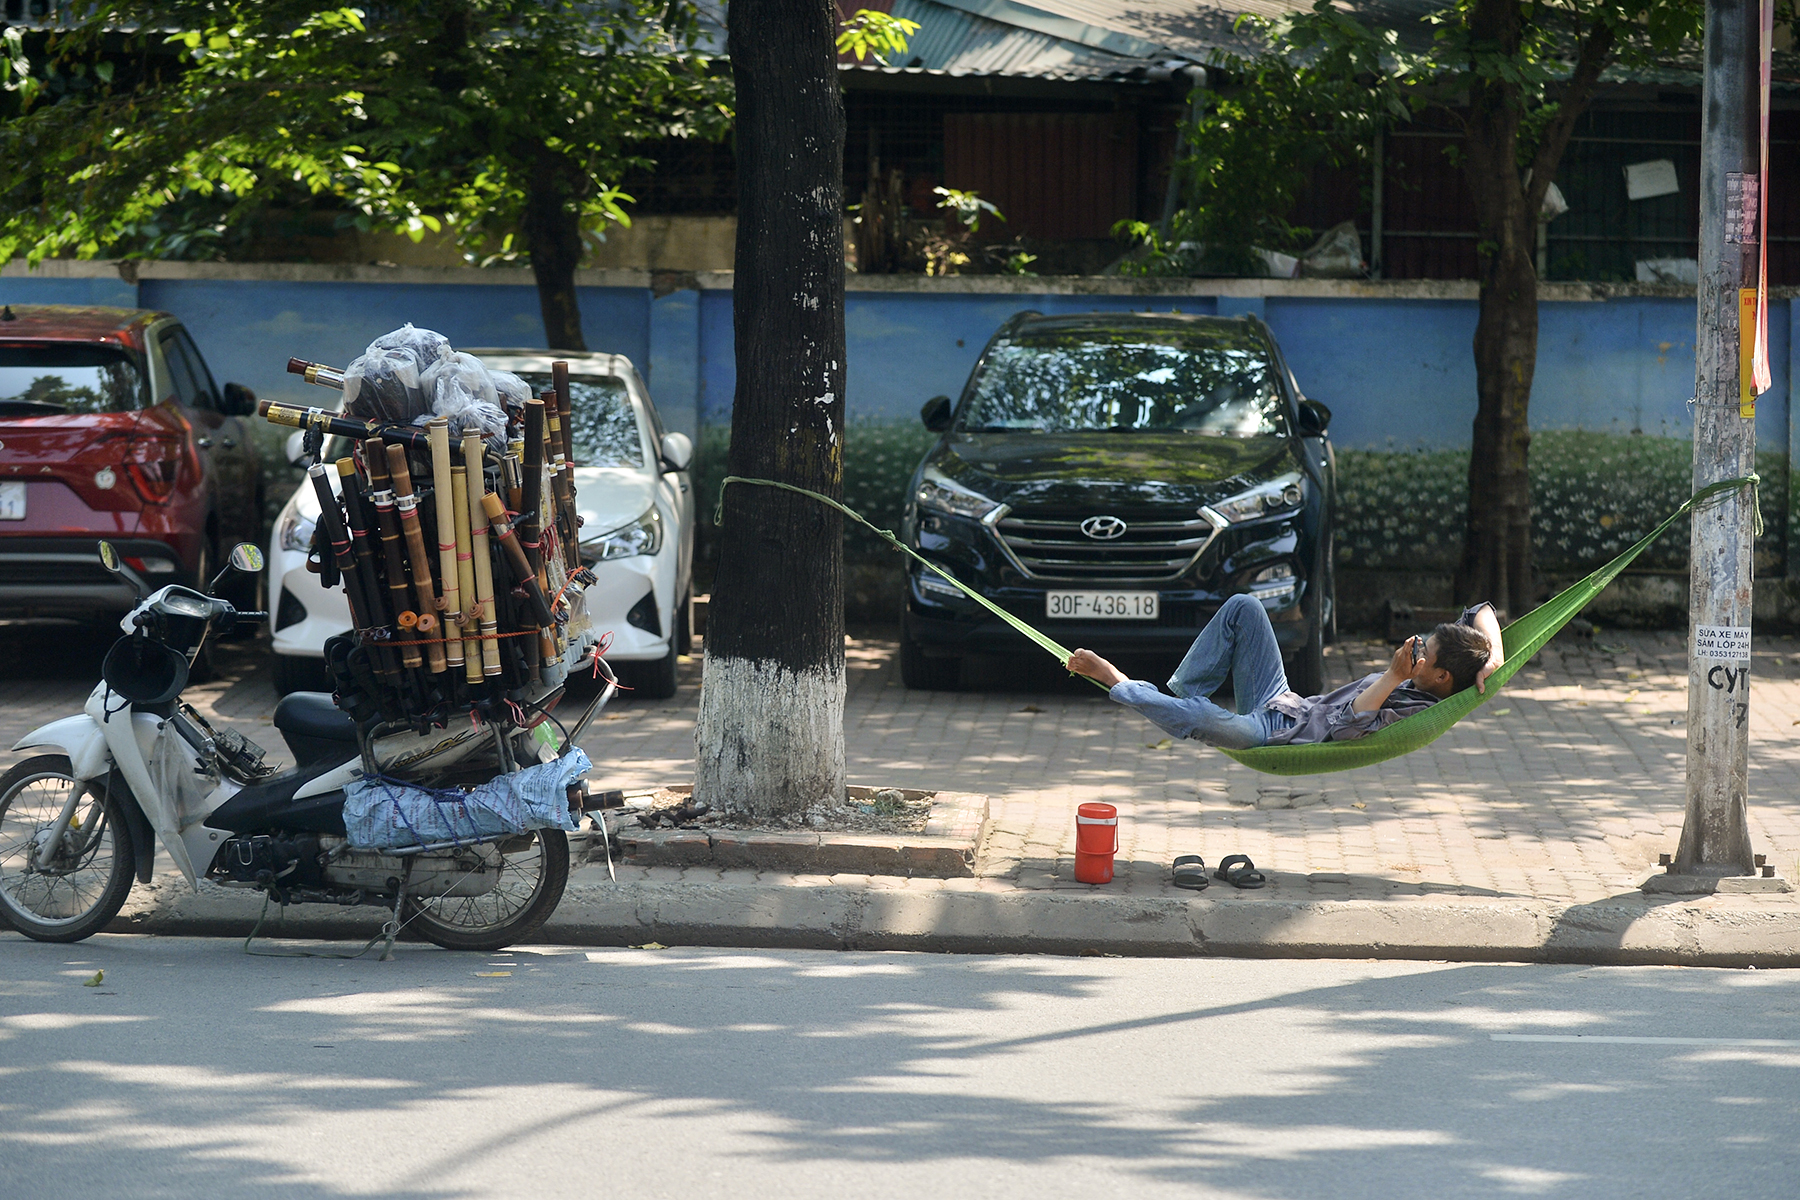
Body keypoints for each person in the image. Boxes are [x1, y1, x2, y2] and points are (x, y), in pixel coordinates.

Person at [1066, 594, 1506, 749]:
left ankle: (1121, 683)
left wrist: (1392, 676)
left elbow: (1349, 730)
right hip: (1284, 702)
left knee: (1201, 720)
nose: (1416, 650)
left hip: (1276, 737)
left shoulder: (1416, 707)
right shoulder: (1448, 664)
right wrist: (1495, 656)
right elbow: (1480, 608)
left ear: (1442, 677)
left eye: (1423, 652)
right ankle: (1182, 694)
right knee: (1245, 607)